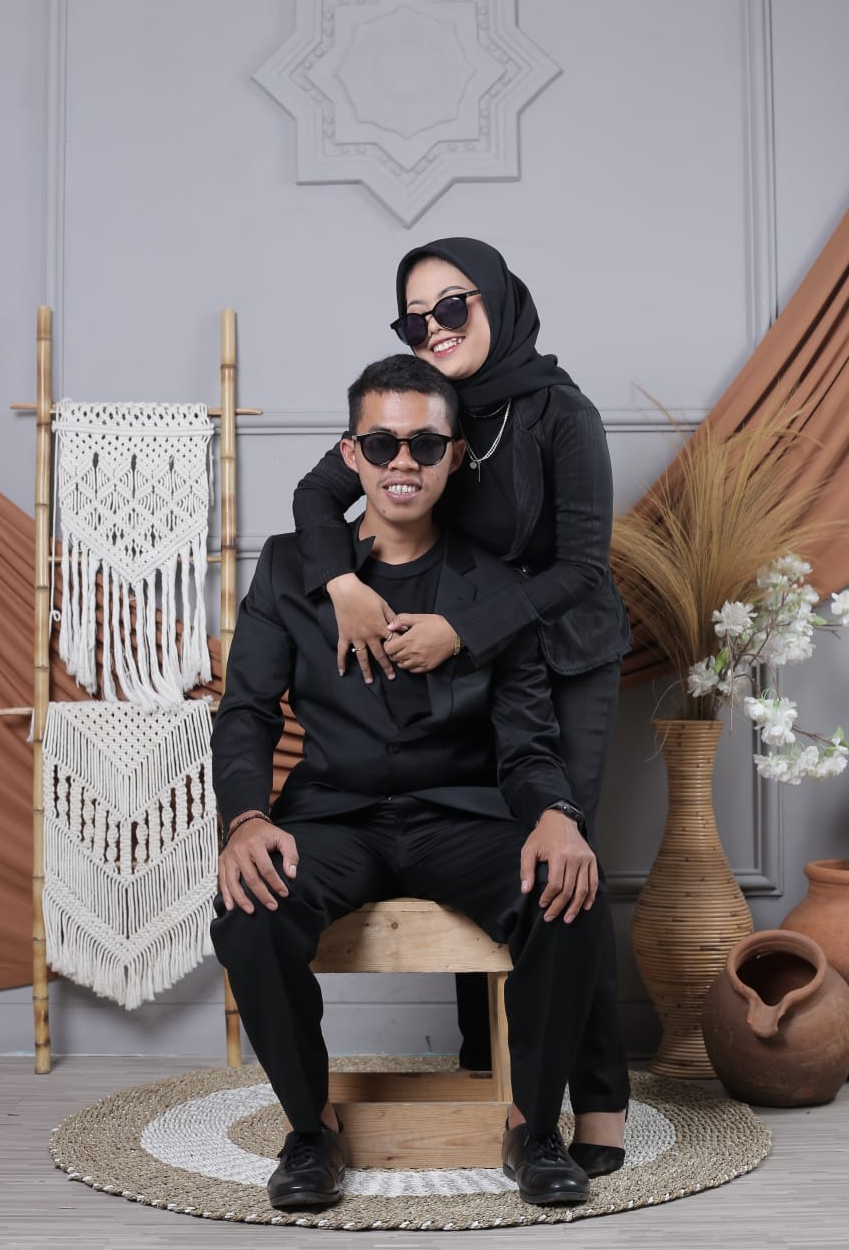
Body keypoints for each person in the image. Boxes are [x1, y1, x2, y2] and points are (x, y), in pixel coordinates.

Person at [211, 355, 604, 1211]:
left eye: (425, 444)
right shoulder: (288, 569)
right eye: (382, 442)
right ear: (350, 453)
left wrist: (556, 813)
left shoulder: (495, 589)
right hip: (333, 818)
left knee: (568, 888)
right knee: (249, 907)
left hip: (460, 815)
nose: (403, 461)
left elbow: (527, 742)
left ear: (454, 456)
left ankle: (533, 1128)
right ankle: (310, 1131)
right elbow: (246, 712)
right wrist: (245, 818)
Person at [292, 238, 632, 1175]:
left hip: (560, 657)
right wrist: (341, 586)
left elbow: (581, 567)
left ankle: (599, 1099)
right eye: (415, 318)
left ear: (501, 301)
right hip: (475, 663)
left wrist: (462, 629)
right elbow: (317, 494)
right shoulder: (422, 411)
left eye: (453, 306)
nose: (434, 330)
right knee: (477, 835)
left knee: (564, 865)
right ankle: (498, 1067)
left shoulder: (562, 412)